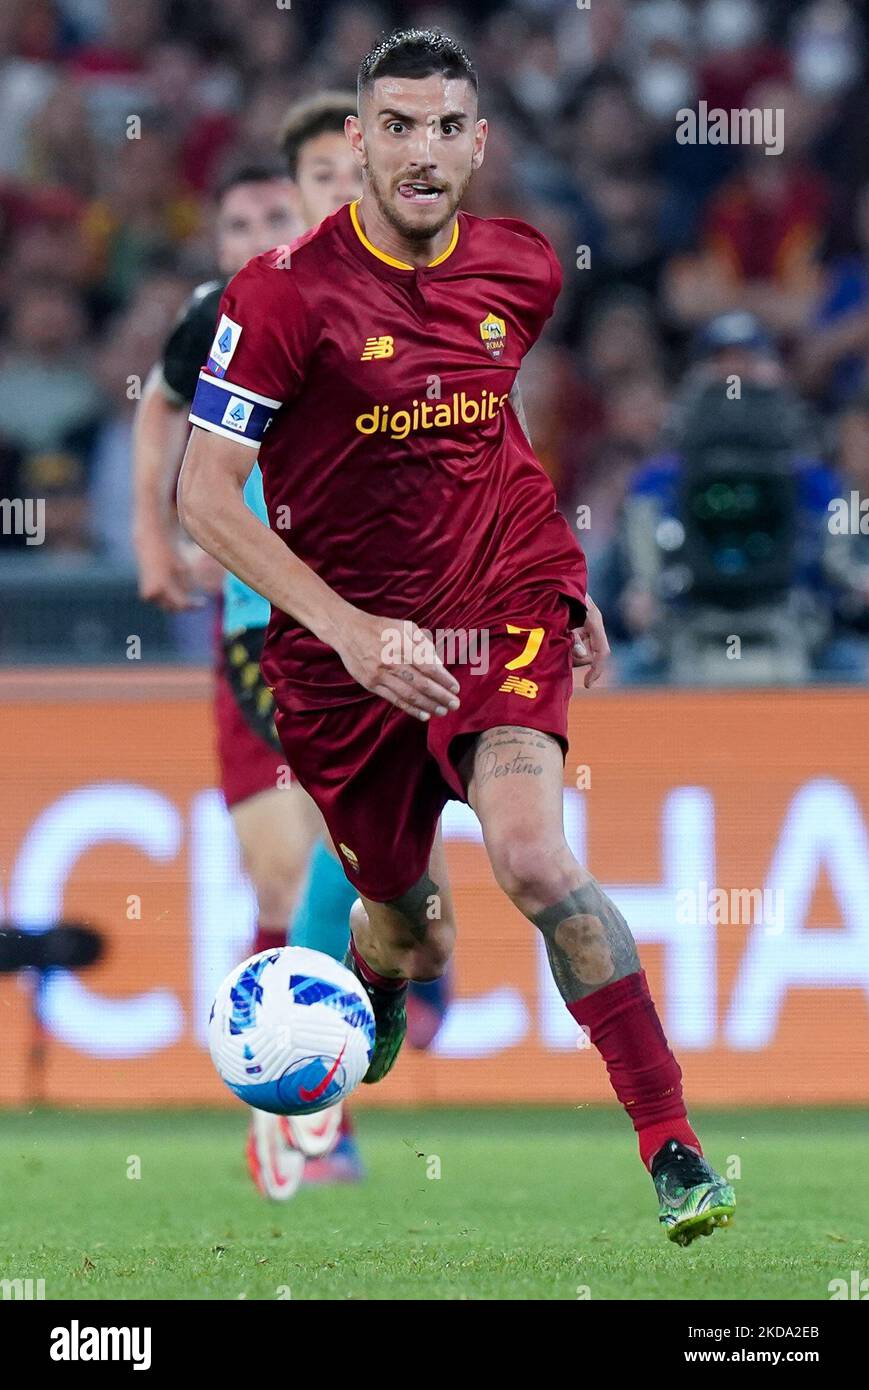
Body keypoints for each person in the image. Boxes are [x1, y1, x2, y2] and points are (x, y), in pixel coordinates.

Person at [178, 28, 736, 1245]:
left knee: (534, 857)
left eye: (447, 128)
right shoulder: (279, 296)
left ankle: (672, 1145)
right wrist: (350, 628)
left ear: (476, 145)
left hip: (497, 611)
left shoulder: (524, 268)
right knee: (408, 928)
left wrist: (559, 577)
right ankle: (376, 977)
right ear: (360, 143)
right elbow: (203, 496)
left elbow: (487, 439)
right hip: (340, 660)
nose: (423, 150)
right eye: (398, 126)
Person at [133, 96, 367, 1199]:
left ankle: (305, 1081)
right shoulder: (235, 307)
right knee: (295, 865)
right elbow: (159, 411)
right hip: (260, 628)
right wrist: (151, 535)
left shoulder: (382, 299)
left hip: (367, 620)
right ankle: (295, 1096)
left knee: (350, 869)